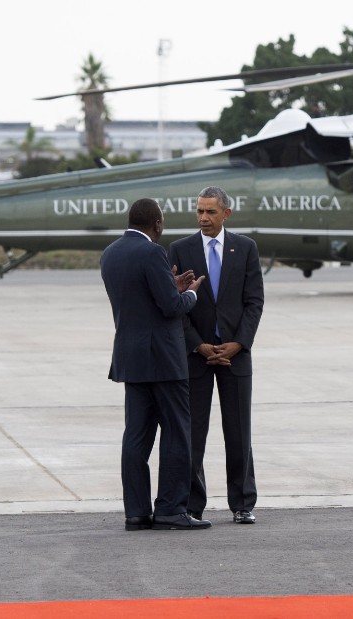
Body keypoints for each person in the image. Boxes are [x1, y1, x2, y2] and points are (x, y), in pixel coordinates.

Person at [99, 198, 212, 531]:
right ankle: (170, 509)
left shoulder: (110, 253)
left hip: (131, 358)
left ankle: (136, 512)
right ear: (157, 225)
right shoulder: (152, 253)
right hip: (163, 358)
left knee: (136, 436)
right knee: (177, 431)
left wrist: (170, 286)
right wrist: (189, 293)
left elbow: (142, 298)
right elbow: (170, 307)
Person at [167, 186, 264, 525]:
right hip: (196, 355)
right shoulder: (180, 249)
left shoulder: (246, 248)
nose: (203, 218)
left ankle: (242, 503)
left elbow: (254, 302)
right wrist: (198, 344)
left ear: (226, 213)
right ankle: (193, 505)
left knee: (239, 431)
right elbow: (175, 306)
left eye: (210, 212)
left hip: (236, 354)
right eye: (199, 211)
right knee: (193, 432)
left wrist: (238, 343)